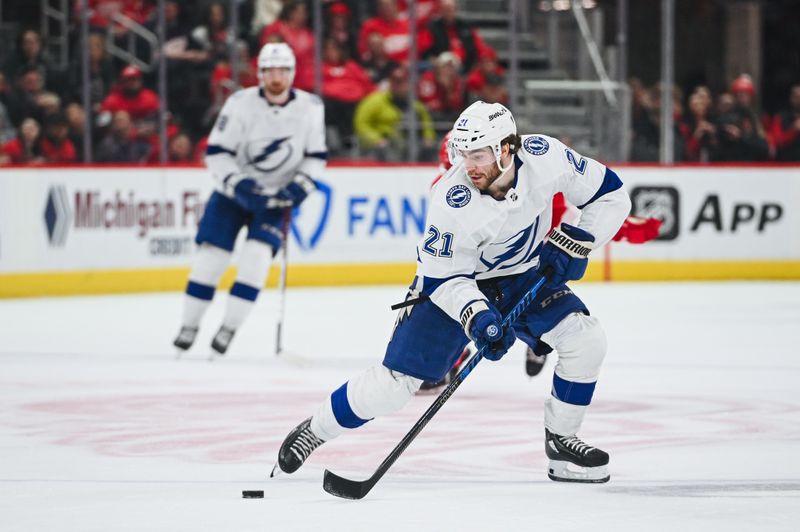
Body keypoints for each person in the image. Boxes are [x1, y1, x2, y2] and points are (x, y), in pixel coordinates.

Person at [273, 101, 630, 483]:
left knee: (586, 339)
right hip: (456, 287)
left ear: (506, 149)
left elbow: (611, 195)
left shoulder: (546, 156)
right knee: (393, 387)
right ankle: (317, 429)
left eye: (478, 154)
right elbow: (444, 277)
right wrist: (477, 316)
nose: (469, 165)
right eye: (463, 154)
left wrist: (577, 241)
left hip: (523, 275)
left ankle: (561, 443)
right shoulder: (451, 198)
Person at [172, 43, 326, 356]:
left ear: (292, 73)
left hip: (275, 202)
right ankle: (189, 324)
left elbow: (316, 156)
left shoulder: (311, 107)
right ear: (260, 74)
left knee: (255, 262)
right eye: (270, 70)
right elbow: (216, 152)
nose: (276, 77)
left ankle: (229, 327)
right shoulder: (240, 103)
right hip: (233, 196)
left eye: (282, 70)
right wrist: (238, 183)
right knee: (210, 261)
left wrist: (299, 187)